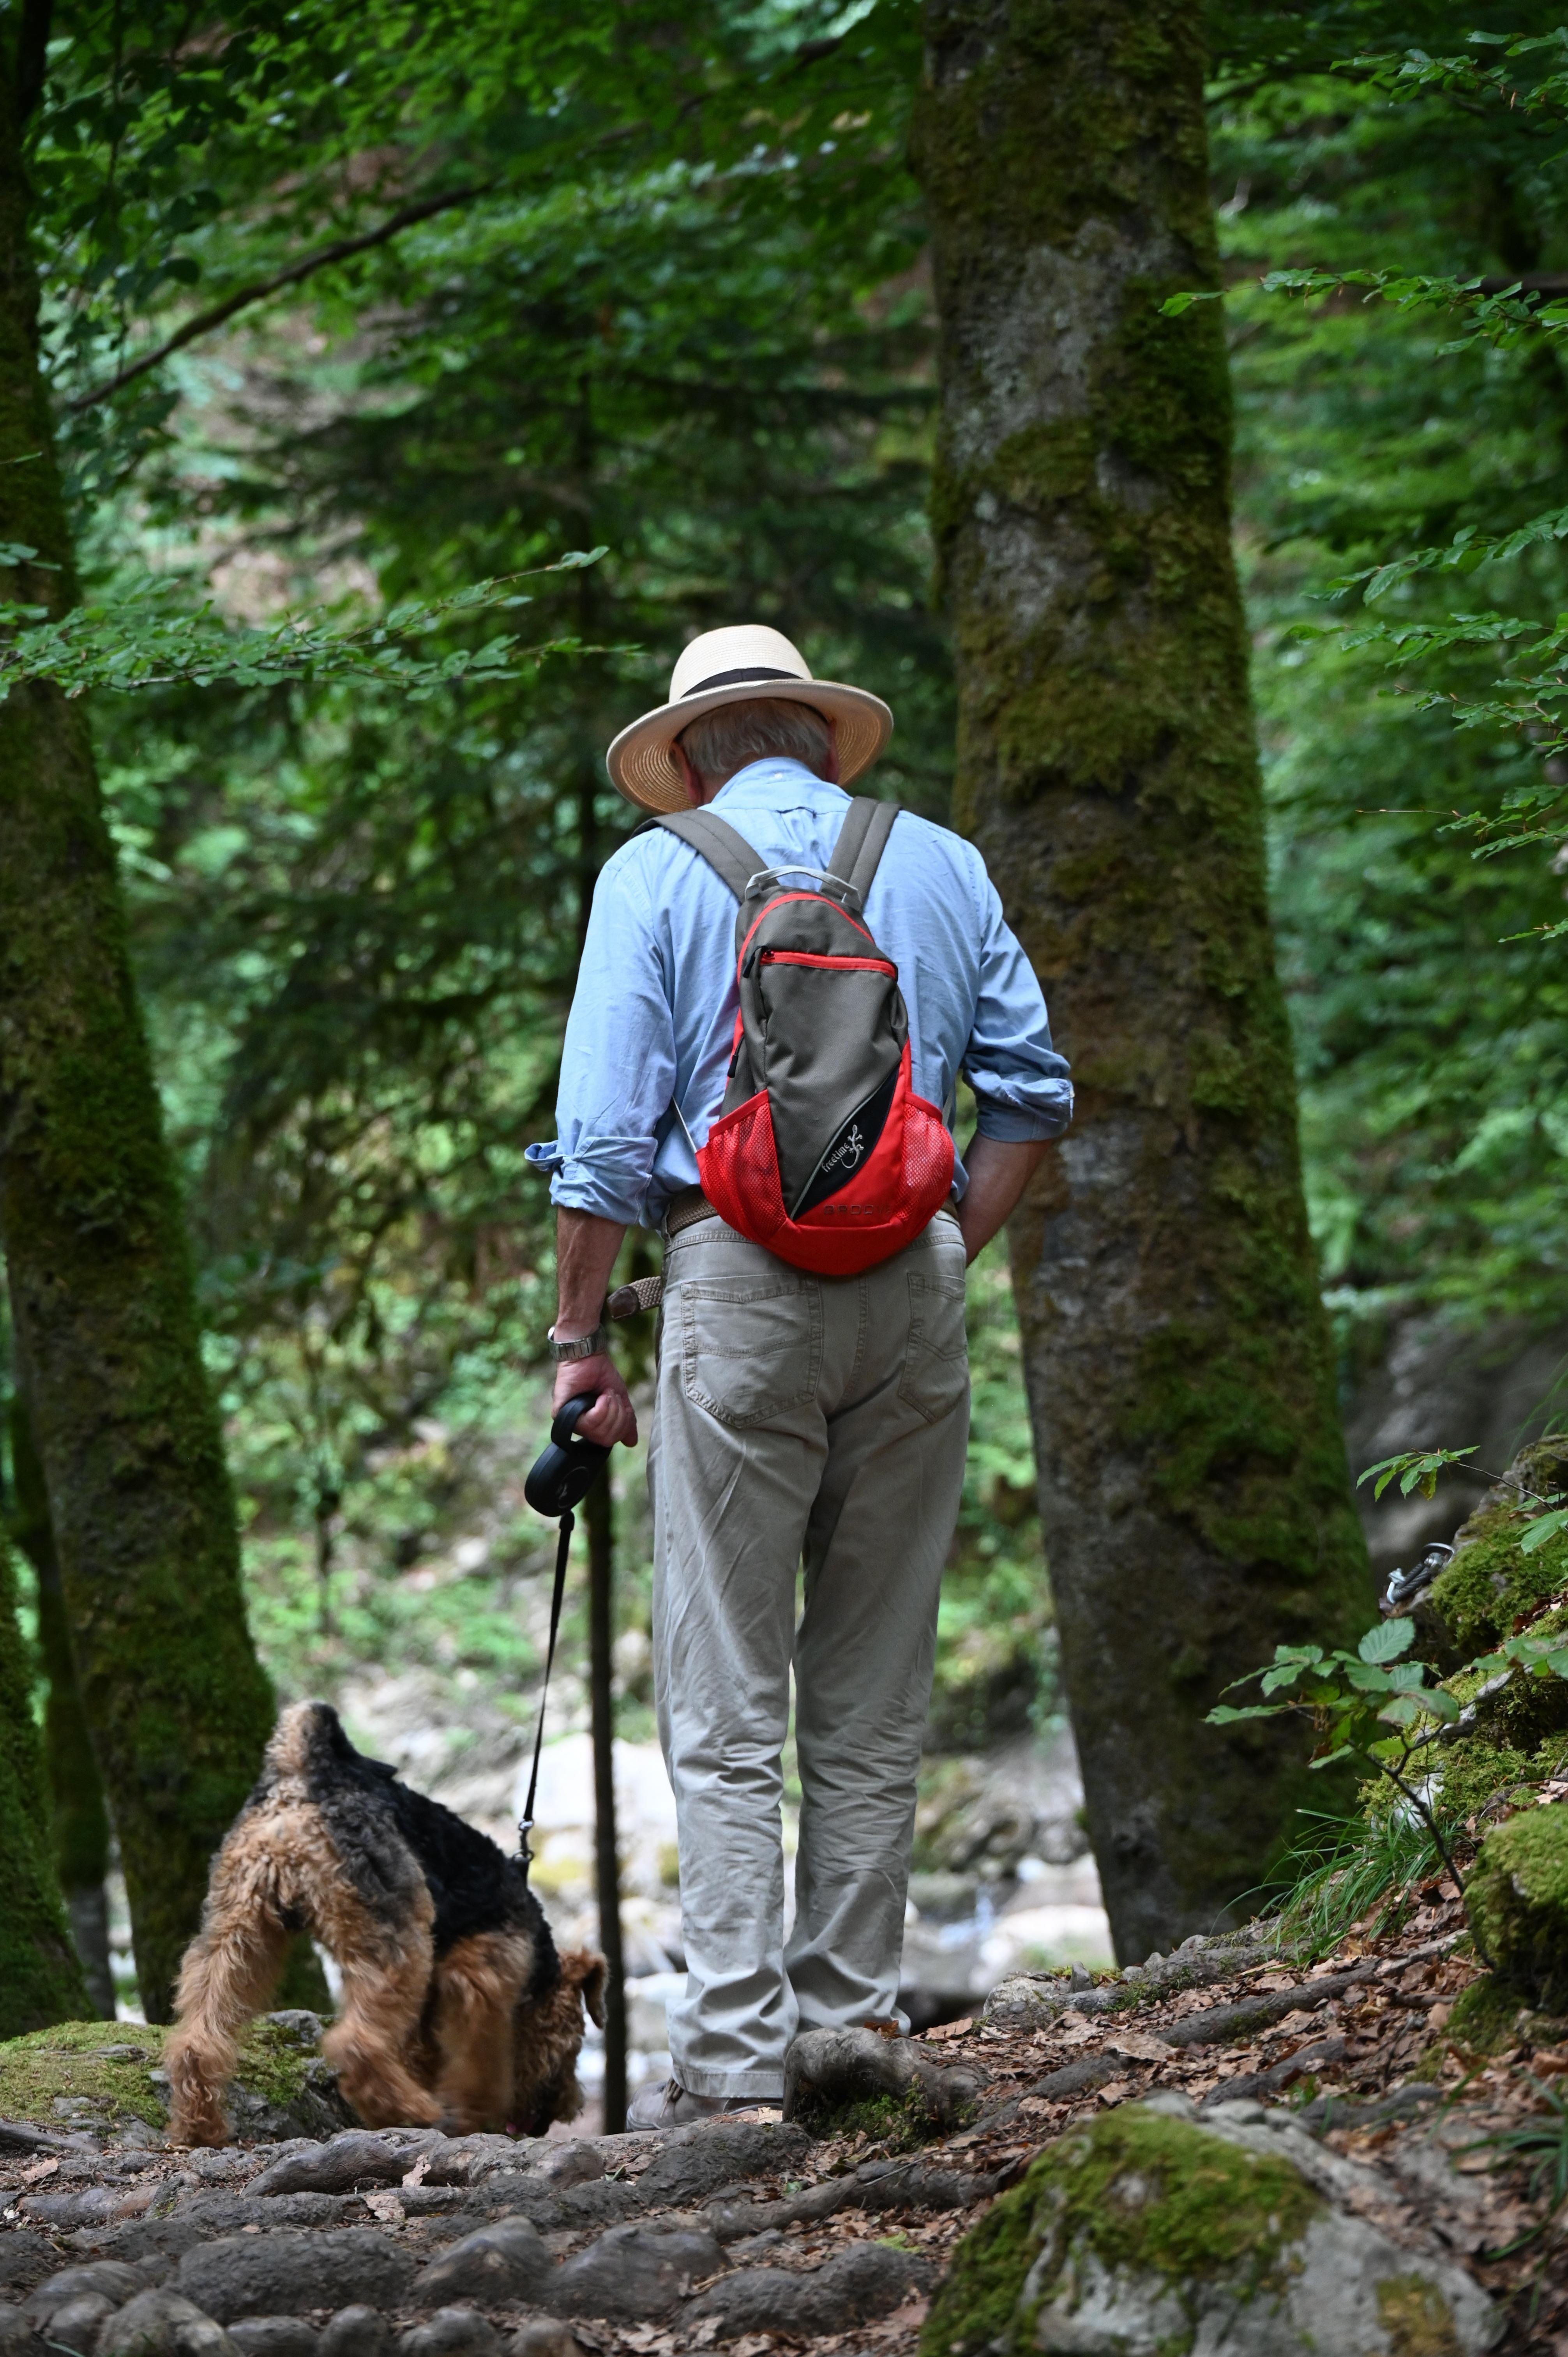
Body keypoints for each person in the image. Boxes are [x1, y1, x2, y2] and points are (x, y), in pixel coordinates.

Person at [526, 624, 1072, 2126]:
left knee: (723, 1697)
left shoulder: (653, 873)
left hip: (733, 1290)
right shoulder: (944, 865)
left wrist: (581, 1350)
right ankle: (850, 2030)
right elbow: (1034, 1096)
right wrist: (944, 1242)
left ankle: (730, 2066)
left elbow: (599, 1152)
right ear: (819, 741)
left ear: (694, 752)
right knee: (874, 1684)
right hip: (914, 1296)